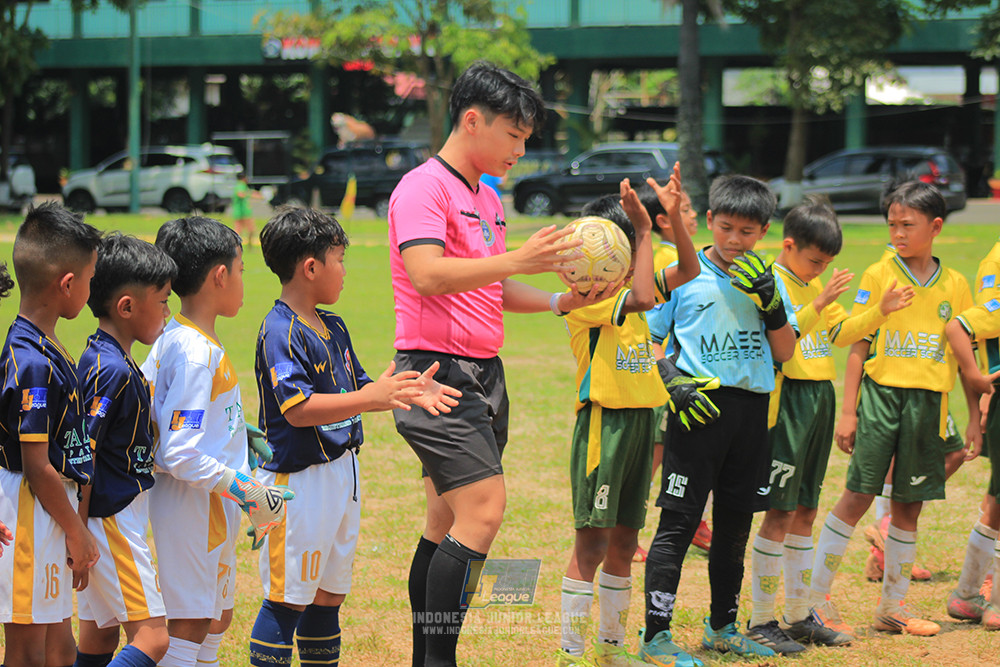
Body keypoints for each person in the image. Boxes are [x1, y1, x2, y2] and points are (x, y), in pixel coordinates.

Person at [387, 61, 607, 667]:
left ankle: (425, 658)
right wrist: (517, 260)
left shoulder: (486, 196)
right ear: (472, 119)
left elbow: (493, 288)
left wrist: (564, 300)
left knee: (445, 519)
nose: (520, 148)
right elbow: (429, 275)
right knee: (483, 513)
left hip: (485, 374)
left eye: (526, 138)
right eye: (513, 135)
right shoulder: (422, 188)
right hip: (436, 375)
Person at [248, 206, 460, 666]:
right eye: (339, 259)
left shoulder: (333, 325)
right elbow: (299, 410)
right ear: (310, 268)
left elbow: (362, 386)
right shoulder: (279, 331)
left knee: (328, 596)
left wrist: (407, 388)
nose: (345, 270)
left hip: (343, 473)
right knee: (287, 599)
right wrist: (371, 398)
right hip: (297, 483)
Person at [640, 175, 798, 665]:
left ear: (764, 232)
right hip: (697, 409)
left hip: (751, 415)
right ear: (709, 221)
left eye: (747, 232)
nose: (735, 240)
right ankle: (655, 636)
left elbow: (787, 351)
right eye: (726, 227)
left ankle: (723, 627)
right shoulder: (682, 274)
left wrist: (771, 304)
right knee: (678, 526)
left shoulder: (769, 279)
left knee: (734, 528)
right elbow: (646, 340)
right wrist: (672, 381)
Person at [810, 180, 978, 637]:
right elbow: (856, 347)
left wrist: (975, 418)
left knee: (909, 507)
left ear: (936, 226)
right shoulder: (879, 274)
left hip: (928, 404)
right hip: (882, 399)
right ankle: (815, 598)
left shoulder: (957, 285)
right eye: (892, 225)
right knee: (858, 496)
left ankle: (893, 607)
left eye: (908, 225)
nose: (899, 233)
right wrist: (849, 413)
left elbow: (967, 362)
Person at [558, 170, 698, 666]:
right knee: (592, 543)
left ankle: (611, 650)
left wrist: (672, 221)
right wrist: (642, 231)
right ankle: (571, 654)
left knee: (624, 542)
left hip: (641, 423)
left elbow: (688, 270)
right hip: (605, 427)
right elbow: (640, 296)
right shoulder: (588, 305)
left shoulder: (636, 294)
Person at [140, 216, 292, 667]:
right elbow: (178, 451)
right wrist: (249, 491)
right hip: (193, 508)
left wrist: (238, 434)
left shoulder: (193, 341)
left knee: (218, 616)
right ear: (220, 276)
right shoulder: (192, 352)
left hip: (214, 504)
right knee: (190, 623)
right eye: (242, 269)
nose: (245, 281)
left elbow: (170, 418)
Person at [744, 198, 855, 654]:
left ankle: (797, 614)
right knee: (780, 511)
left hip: (819, 397)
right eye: (815, 261)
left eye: (827, 264)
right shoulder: (773, 284)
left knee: (806, 509)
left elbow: (840, 333)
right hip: (786, 401)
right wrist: (822, 300)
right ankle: (760, 618)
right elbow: (783, 343)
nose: (820, 270)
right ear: (788, 245)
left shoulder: (813, 283)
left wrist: (881, 311)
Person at [0, 202, 102, 667]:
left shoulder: (45, 345)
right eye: (89, 277)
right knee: (26, 653)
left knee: (59, 647)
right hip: (29, 512)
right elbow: (38, 466)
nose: (90, 287)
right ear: (67, 285)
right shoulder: (33, 362)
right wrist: (76, 531)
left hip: (48, 512)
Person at [74, 233, 177, 667]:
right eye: (163, 301)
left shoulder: (112, 359)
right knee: (153, 639)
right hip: (109, 518)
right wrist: (77, 533)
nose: (169, 313)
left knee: (99, 637)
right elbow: (83, 453)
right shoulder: (109, 370)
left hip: (107, 515)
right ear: (127, 307)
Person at [637, 183, 711, 556]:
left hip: (666, 372)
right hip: (664, 374)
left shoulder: (666, 252)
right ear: (664, 221)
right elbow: (655, 327)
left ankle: (696, 521)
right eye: (686, 210)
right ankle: (629, 530)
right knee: (656, 451)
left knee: (671, 450)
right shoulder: (670, 257)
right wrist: (664, 373)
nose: (694, 215)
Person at [941, 234, 1000, 626]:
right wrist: (980, 381)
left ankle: (967, 593)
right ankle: (991, 603)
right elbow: (966, 326)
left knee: (997, 498)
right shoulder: (995, 261)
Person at [232, 171, 258, 244]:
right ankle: (249, 246)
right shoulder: (241, 185)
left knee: (238, 229)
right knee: (250, 229)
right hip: (244, 211)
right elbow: (240, 194)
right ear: (244, 178)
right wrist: (252, 195)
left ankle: (235, 245)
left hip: (239, 211)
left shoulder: (239, 185)